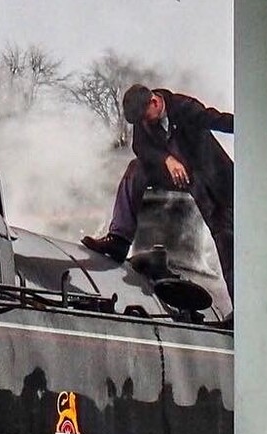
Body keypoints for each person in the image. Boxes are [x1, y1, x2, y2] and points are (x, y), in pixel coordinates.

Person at [82, 84, 234, 300]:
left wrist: (246, 124)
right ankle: (119, 239)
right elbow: (141, 148)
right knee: (136, 169)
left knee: (225, 236)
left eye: (145, 116)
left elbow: (215, 119)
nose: (144, 123)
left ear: (154, 102)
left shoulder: (185, 108)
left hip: (208, 179)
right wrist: (167, 159)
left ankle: (240, 308)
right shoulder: (143, 120)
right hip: (173, 175)